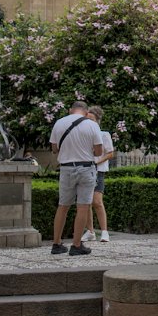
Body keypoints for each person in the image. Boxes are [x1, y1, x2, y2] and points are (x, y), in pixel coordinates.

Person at [49, 98, 105, 256]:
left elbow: (54, 148)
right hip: (86, 168)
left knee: (63, 206)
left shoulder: (59, 123)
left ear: (70, 110)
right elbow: (99, 152)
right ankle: (76, 245)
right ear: (86, 112)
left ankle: (56, 244)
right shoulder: (92, 125)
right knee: (83, 207)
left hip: (66, 168)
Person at [80, 105, 114, 244]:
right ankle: (90, 231)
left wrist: (97, 161)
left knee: (97, 201)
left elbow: (110, 153)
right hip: (85, 169)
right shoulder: (83, 135)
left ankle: (104, 231)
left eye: (92, 119)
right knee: (86, 202)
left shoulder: (104, 135)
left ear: (97, 121)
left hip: (98, 170)